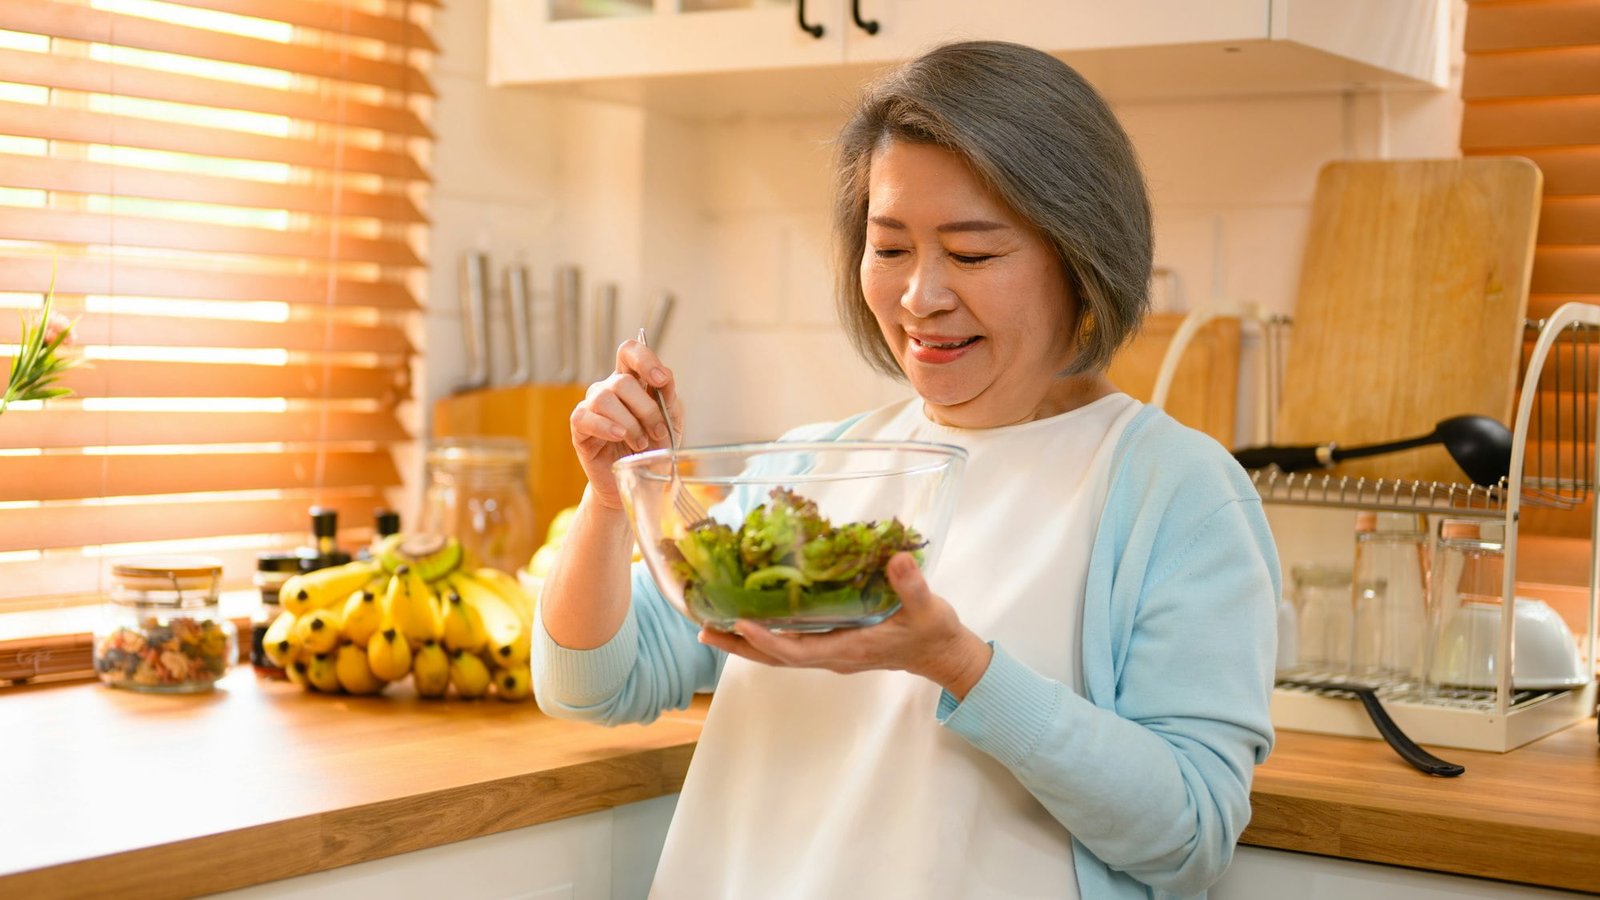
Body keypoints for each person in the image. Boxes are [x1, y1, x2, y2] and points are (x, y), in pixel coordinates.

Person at [534, 40, 1279, 899]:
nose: (920, 296)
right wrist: (609, 503)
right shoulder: (818, 466)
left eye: (971, 254)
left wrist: (961, 665)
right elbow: (592, 684)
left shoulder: (1173, 491)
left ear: (1081, 258)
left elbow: (1187, 836)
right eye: (890, 249)